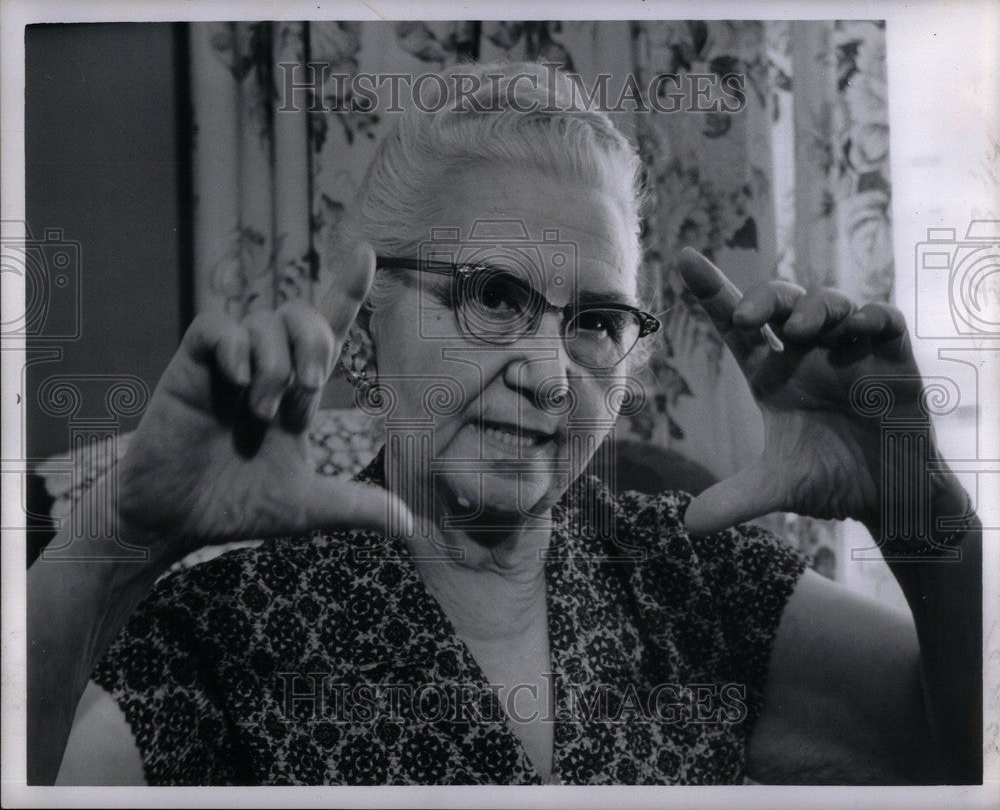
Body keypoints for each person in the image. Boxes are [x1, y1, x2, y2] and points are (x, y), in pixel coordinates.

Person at [28, 61, 981, 786]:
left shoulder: (694, 581)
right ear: (365, 329)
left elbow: (961, 758)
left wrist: (915, 503)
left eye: (597, 322)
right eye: (491, 295)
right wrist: (115, 545)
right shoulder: (221, 632)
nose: (546, 373)